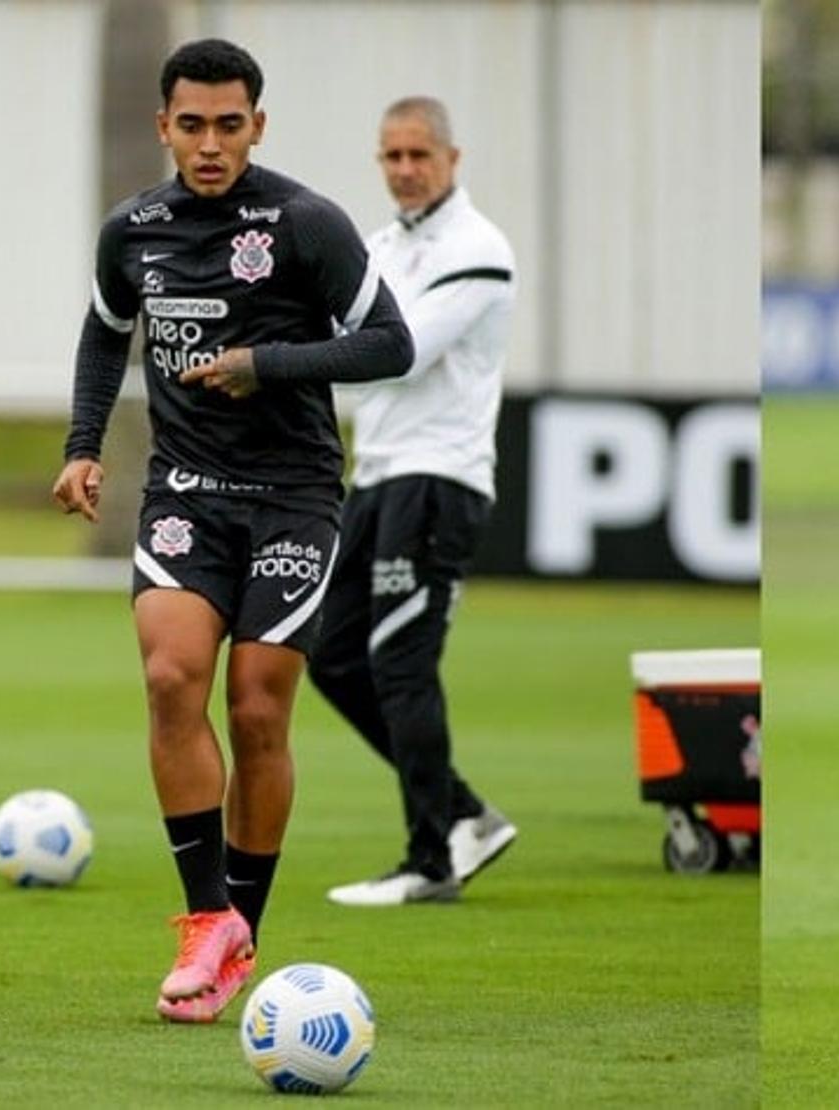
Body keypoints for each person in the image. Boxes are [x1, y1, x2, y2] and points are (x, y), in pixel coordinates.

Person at [53, 38, 414, 1023]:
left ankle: (238, 931)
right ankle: (206, 919)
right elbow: (103, 331)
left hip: (293, 493)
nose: (209, 144)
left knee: (258, 709)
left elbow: (391, 342)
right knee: (172, 676)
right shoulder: (132, 231)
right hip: (184, 492)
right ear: (163, 125)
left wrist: (269, 362)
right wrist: (85, 444)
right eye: (191, 125)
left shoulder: (305, 224)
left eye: (229, 125)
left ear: (257, 126)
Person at [309, 96, 519, 906]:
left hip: (440, 478)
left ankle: (431, 859)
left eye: (418, 155)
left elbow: (400, 352)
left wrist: (276, 362)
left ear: (452, 159)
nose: (403, 170)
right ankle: (465, 813)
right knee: (330, 654)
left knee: (401, 663)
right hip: (380, 473)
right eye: (390, 156)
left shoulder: (478, 247)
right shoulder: (379, 246)